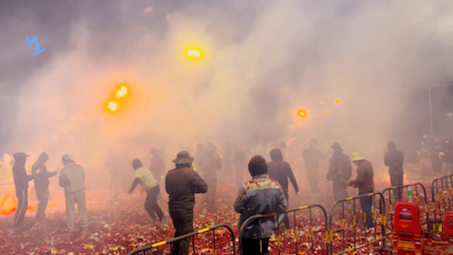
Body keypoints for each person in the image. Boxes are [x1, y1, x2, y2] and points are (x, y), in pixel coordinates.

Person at [234, 155, 287, 255]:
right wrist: (275, 224)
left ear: (250, 170)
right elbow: (283, 206)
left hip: (248, 230)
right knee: (263, 251)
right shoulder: (276, 185)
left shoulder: (247, 187)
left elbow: (237, 207)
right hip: (267, 229)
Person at [165, 151, 207, 255]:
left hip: (173, 209)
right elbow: (204, 187)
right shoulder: (190, 173)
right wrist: (192, 189)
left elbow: (168, 190)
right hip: (185, 209)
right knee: (185, 237)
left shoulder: (169, 174)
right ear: (188, 162)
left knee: (178, 233)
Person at [267, 148, 298, 229]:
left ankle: (274, 227)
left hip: (271, 191)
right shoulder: (285, 164)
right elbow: (292, 178)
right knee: (283, 210)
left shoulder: (268, 165)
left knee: (272, 210)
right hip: (283, 191)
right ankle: (286, 227)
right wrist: (296, 189)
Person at [128, 159, 165, 227]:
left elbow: (137, 180)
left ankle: (159, 218)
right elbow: (146, 179)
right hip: (155, 187)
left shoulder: (138, 171)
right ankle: (158, 218)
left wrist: (132, 189)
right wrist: (143, 189)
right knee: (153, 204)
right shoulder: (144, 169)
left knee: (148, 205)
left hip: (152, 188)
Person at [58, 154, 88, 233]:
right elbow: (83, 178)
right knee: (82, 210)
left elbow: (61, 184)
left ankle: (71, 228)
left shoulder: (63, 170)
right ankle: (85, 226)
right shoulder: (80, 167)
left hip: (70, 193)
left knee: (70, 211)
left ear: (64, 161)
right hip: (80, 191)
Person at [347, 152, 374, 229]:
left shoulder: (361, 167)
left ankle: (369, 225)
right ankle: (367, 222)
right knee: (368, 206)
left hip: (364, 190)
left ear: (357, 160)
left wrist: (350, 182)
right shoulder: (368, 163)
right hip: (370, 188)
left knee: (366, 208)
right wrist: (355, 185)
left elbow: (360, 180)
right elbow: (364, 178)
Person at [31, 152, 57, 221]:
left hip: (38, 185)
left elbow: (37, 174)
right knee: (43, 201)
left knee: (41, 200)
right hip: (42, 186)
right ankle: (40, 216)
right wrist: (54, 173)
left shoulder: (35, 164)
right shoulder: (41, 165)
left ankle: (40, 215)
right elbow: (44, 175)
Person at [197, 142, 222, 212]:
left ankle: (205, 205)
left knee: (205, 190)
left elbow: (198, 163)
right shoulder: (215, 155)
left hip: (204, 175)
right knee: (212, 191)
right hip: (212, 175)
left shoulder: (202, 155)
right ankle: (211, 207)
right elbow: (220, 166)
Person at [12, 152, 34, 227]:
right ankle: (17, 223)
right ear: (21, 159)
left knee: (24, 205)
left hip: (20, 188)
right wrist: (33, 175)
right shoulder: (20, 168)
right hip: (22, 188)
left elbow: (22, 178)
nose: (25, 160)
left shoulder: (16, 167)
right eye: (24, 158)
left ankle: (20, 222)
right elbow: (25, 179)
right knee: (22, 206)